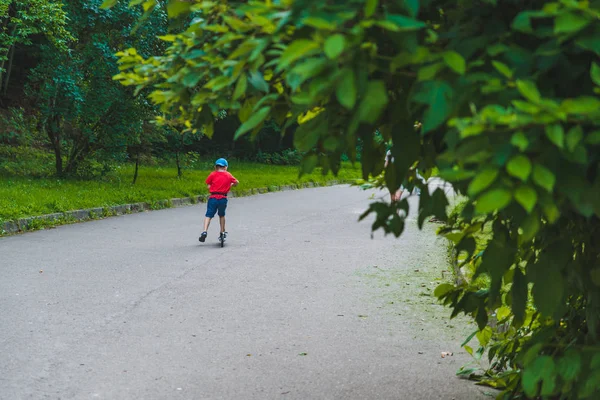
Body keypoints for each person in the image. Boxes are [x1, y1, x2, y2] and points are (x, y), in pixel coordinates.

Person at [199, 158, 239, 243]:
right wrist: (231, 184)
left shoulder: (212, 174)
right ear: (225, 167)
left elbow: (208, 186)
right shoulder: (228, 175)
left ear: (215, 167)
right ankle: (222, 232)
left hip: (213, 198)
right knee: (221, 215)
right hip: (222, 198)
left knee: (208, 215)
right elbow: (236, 182)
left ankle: (204, 231)